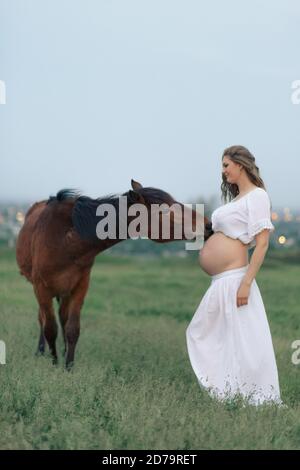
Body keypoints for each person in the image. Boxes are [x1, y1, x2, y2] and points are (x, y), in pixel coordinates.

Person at [186, 145, 281, 405]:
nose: (224, 171)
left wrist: (246, 283)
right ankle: (226, 391)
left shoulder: (257, 196)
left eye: (226, 165)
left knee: (245, 342)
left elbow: (261, 243)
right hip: (220, 282)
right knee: (205, 333)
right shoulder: (236, 201)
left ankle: (252, 396)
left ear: (240, 165)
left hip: (236, 280)